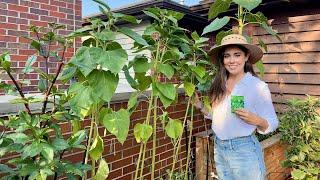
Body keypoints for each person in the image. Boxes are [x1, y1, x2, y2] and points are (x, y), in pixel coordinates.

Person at [194, 34, 279, 180]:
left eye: (237, 55)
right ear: (223, 59)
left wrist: (257, 120)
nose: (231, 60)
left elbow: (273, 122)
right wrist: (200, 106)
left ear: (246, 57)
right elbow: (219, 116)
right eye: (227, 56)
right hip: (219, 148)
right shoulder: (219, 83)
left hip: (244, 150)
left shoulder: (257, 86)